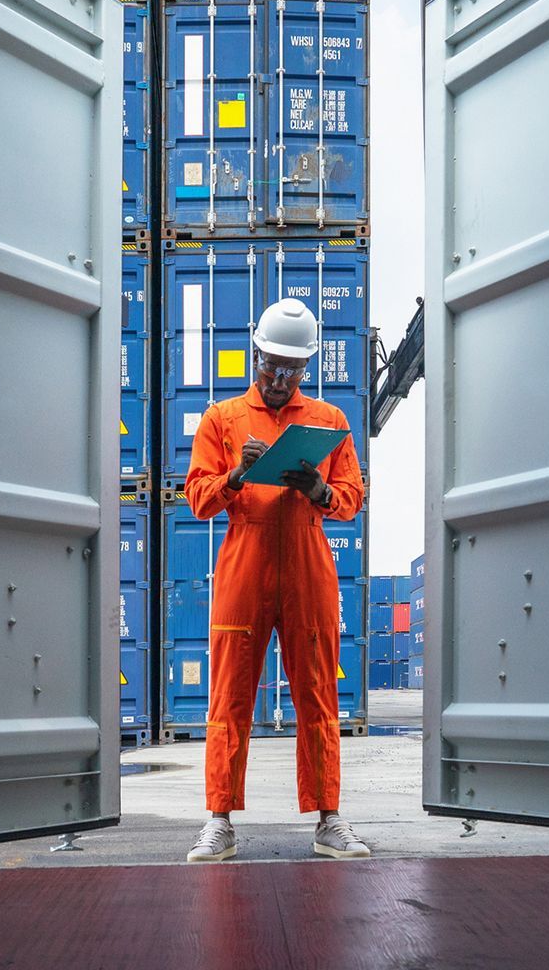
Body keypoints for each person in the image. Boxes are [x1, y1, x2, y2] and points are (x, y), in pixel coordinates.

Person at [181, 297, 369, 862]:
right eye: (271, 365)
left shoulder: (329, 422)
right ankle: (219, 820)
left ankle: (328, 818)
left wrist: (319, 490)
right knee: (230, 694)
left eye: (292, 369)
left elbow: (353, 498)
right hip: (246, 560)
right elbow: (197, 497)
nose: (281, 378)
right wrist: (238, 474)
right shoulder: (223, 419)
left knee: (318, 695)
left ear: (306, 367)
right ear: (255, 353)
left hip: (309, 564)